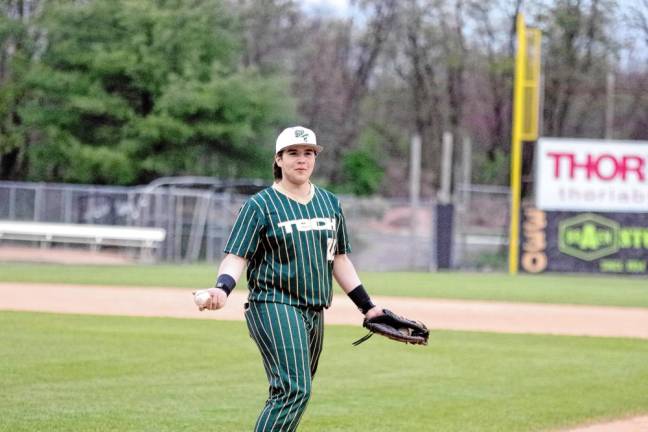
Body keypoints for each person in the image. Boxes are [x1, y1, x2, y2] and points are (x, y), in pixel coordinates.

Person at [200, 126, 384, 432]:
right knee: (294, 389)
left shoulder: (330, 203)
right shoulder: (259, 206)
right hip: (274, 303)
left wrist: (368, 307)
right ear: (279, 159)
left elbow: (339, 259)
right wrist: (223, 288)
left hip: (314, 309)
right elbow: (237, 256)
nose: (302, 159)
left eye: (308, 153)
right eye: (294, 153)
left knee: (292, 392)